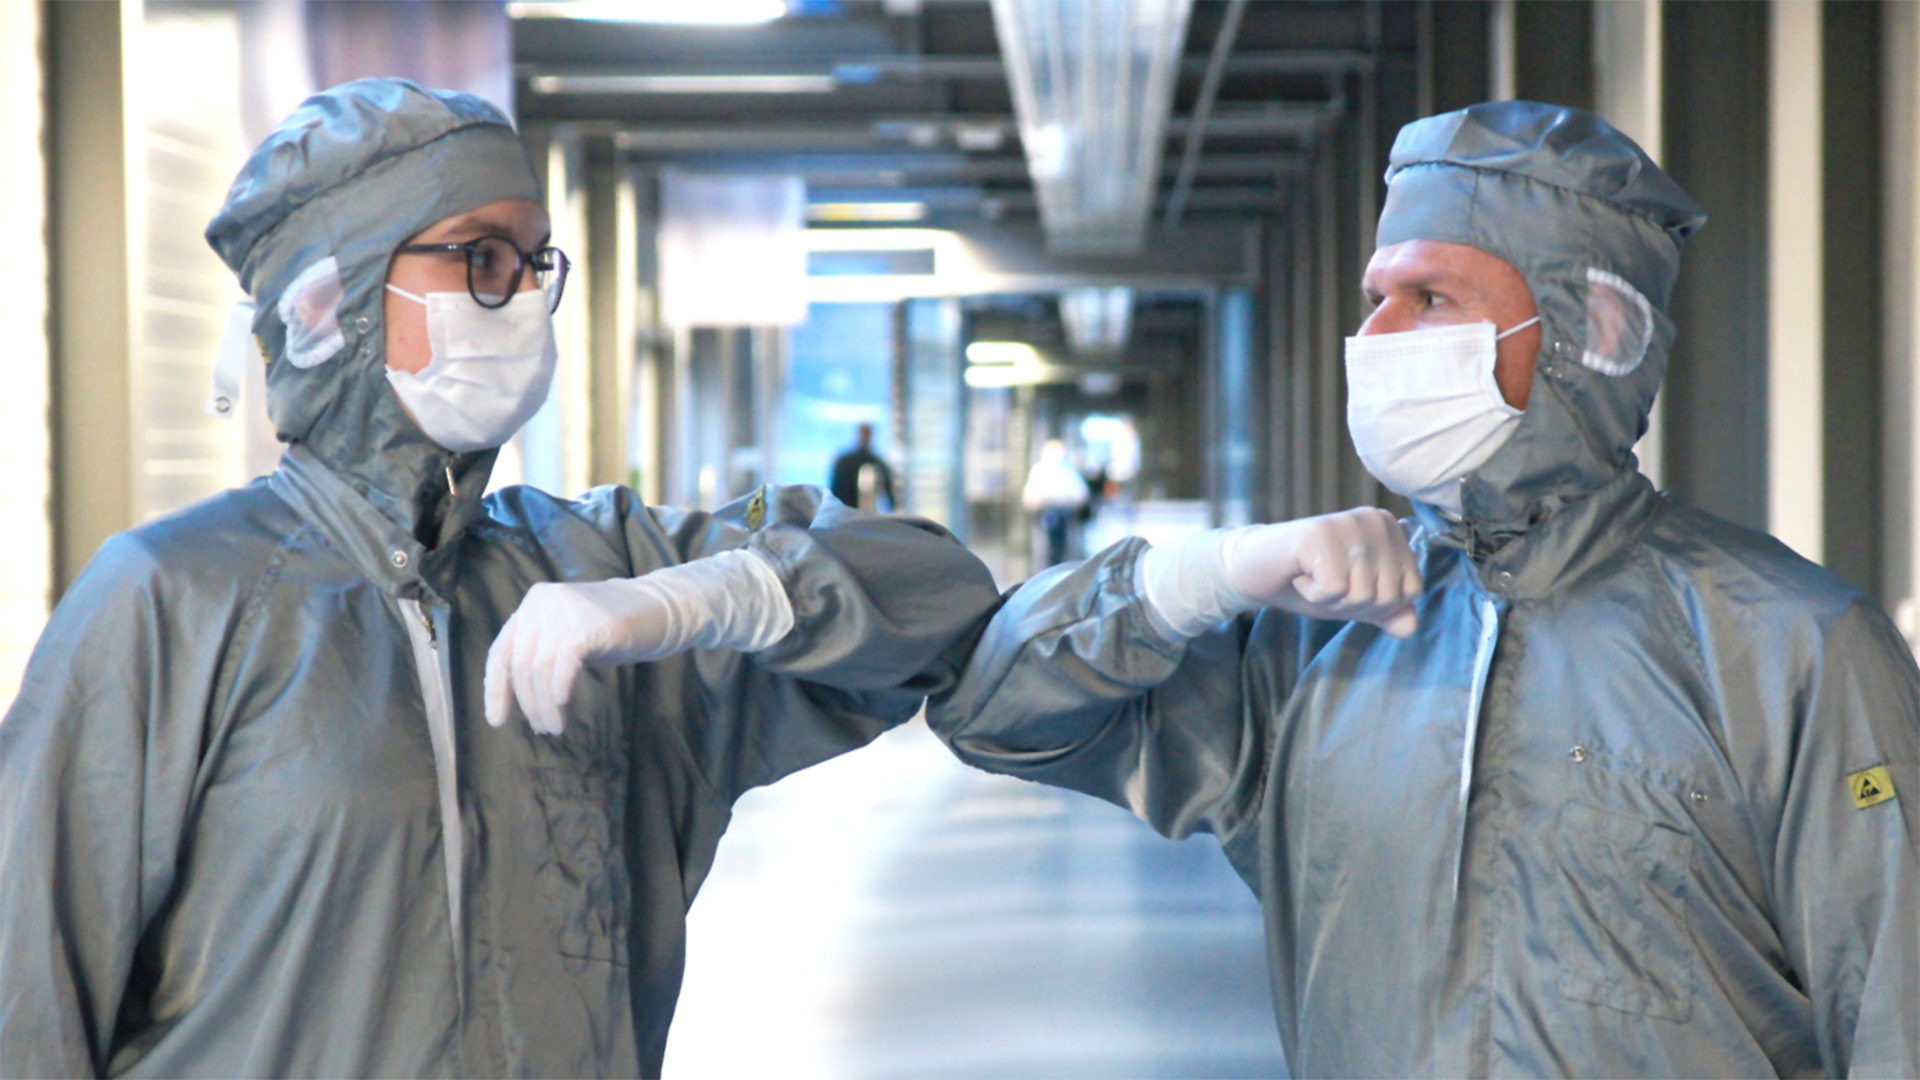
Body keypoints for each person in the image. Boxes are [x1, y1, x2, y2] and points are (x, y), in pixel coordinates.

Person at [0, 79, 998, 1078]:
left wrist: (721, 592)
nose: (520, 298)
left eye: (534, 263)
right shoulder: (176, 600)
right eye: (481, 259)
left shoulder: (598, 574)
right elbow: (27, 998)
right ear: (329, 301)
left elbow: (937, 595)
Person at [929, 102, 1920, 1076]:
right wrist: (1192, 578)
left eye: (1432, 298)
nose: (1379, 335)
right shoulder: (1316, 642)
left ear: (1594, 331)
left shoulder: (1790, 650)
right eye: (1377, 296)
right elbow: (997, 709)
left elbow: (1896, 1014)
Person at [1020, 438, 1089, 566]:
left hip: (1064, 513)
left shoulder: (1069, 470)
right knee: (1046, 545)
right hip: (1045, 512)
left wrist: (1069, 501)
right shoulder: (1039, 470)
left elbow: (1081, 494)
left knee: (1062, 545)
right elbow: (1029, 495)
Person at [827, 422, 895, 512]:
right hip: (849, 509)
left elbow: (889, 492)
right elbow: (834, 489)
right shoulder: (876, 462)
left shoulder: (876, 462)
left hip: (851, 511)